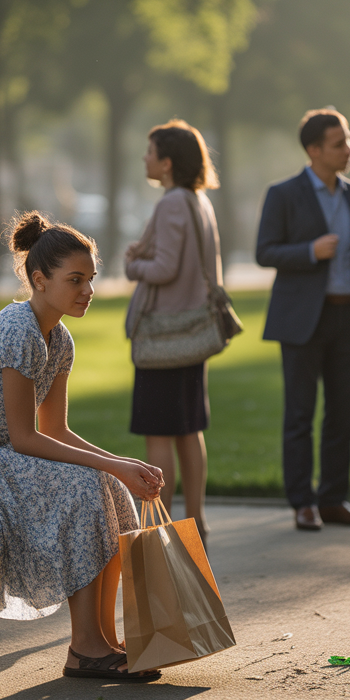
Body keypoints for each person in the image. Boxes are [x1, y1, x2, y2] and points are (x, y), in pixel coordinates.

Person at [0, 212, 165, 681]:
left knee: (107, 485)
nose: (86, 290)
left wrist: (119, 464)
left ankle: (101, 642)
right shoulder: (19, 332)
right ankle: (86, 646)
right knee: (84, 488)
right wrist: (107, 466)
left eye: (90, 279)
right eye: (75, 280)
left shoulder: (59, 339)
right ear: (39, 279)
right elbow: (26, 437)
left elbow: (57, 430)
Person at [255, 109, 350, 532]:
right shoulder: (283, 194)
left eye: (348, 140)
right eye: (339, 143)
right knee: (300, 414)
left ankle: (333, 499)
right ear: (314, 150)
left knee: (342, 415)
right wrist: (311, 251)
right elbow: (265, 251)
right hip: (302, 320)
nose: (349, 149)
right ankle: (302, 503)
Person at [125, 120, 223, 545]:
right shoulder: (199, 201)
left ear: (166, 163)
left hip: (164, 334)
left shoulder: (169, 204)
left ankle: (161, 525)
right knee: (189, 428)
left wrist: (133, 265)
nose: (145, 158)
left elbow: (163, 268)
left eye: (150, 152)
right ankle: (196, 520)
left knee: (159, 430)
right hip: (193, 331)